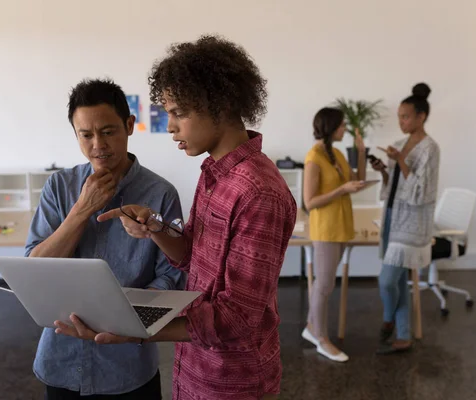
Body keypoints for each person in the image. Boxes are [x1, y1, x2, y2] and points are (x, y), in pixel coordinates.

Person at [54, 34, 297, 400]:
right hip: (195, 364)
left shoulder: (258, 192)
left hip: (234, 379)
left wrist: (137, 329)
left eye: (179, 113)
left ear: (222, 104)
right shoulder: (215, 173)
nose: (169, 127)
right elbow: (191, 256)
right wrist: (155, 229)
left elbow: (237, 318)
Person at [25, 78, 185, 399]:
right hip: (61, 358)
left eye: (108, 132)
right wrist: (81, 210)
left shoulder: (161, 193)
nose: (97, 144)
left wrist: (126, 319)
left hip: (128, 364)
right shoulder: (60, 186)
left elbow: (173, 275)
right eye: (86, 135)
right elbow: (35, 268)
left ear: (128, 125)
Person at [370, 82, 440, 354]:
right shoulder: (399, 144)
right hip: (391, 216)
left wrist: (400, 161)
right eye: (399, 116)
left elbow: (422, 192)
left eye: (406, 116)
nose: (401, 121)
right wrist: (384, 170)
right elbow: (394, 185)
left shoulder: (430, 149)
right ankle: (404, 336)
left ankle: (388, 320)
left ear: (421, 117)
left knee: (387, 280)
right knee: (398, 281)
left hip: (411, 223)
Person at [300, 107, 367, 362]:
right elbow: (310, 201)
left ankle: (311, 327)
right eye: (341, 126)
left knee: (324, 284)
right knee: (324, 285)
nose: (345, 130)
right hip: (325, 228)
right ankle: (321, 338)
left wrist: (360, 152)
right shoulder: (313, 157)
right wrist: (342, 190)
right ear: (331, 127)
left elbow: (357, 180)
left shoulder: (337, 153)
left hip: (341, 225)